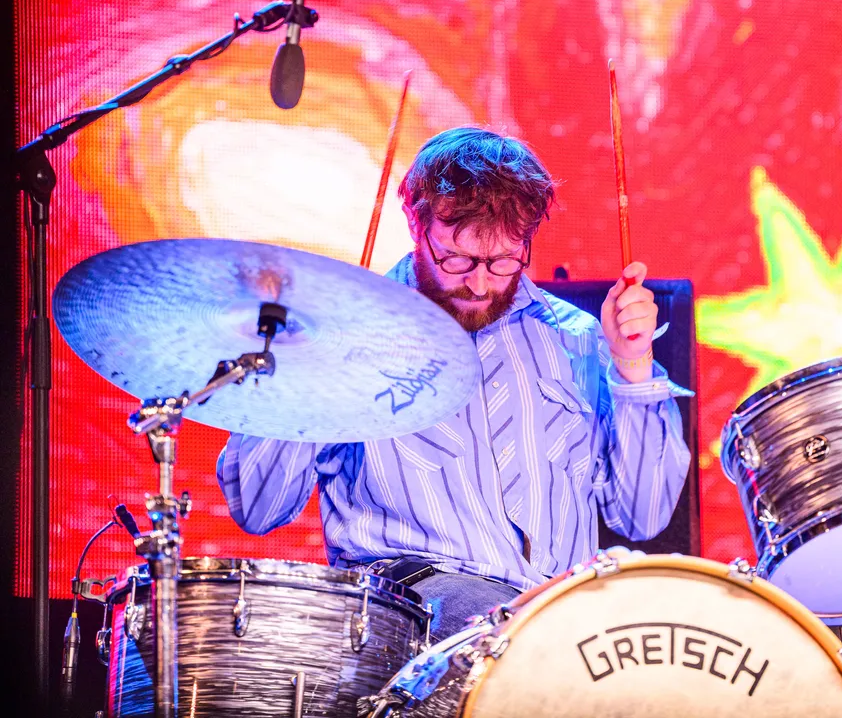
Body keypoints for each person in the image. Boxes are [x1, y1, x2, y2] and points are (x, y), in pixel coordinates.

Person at [216, 127, 693, 641]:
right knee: (493, 620)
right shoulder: (346, 332)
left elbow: (644, 516)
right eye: (456, 259)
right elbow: (259, 508)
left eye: (504, 261)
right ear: (414, 222)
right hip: (415, 616)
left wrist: (633, 365)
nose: (480, 284)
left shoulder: (576, 338)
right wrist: (305, 368)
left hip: (558, 622)